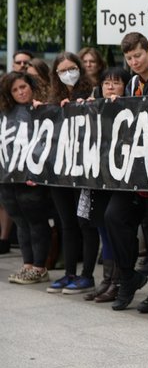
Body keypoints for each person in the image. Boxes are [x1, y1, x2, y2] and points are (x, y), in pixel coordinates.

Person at [105, 32, 148, 312]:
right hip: (133, 171)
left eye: (138, 55)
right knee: (113, 217)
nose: (134, 62)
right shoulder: (131, 85)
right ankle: (128, 277)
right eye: (129, 58)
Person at [45, 52, 100, 295]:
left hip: (84, 169)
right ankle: (69, 274)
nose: (68, 73)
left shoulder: (91, 92)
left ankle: (86, 275)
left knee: (85, 222)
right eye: (62, 70)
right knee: (67, 223)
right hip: (60, 171)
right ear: (55, 74)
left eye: (72, 68)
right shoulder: (53, 98)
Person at [82, 67, 132, 304]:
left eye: (116, 82)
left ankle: (119, 280)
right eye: (106, 83)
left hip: (121, 179)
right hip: (101, 177)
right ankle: (108, 279)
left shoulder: (132, 106)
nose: (110, 87)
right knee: (103, 226)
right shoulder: (96, 107)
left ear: (125, 86)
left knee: (114, 225)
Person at [0, 72, 51, 284]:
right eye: (15, 89)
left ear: (31, 86)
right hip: (7, 176)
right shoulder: (5, 113)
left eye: (23, 87)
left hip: (32, 177)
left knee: (35, 220)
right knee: (20, 221)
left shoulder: (43, 108)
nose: (21, 92)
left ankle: (39, 267)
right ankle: (27, 265)